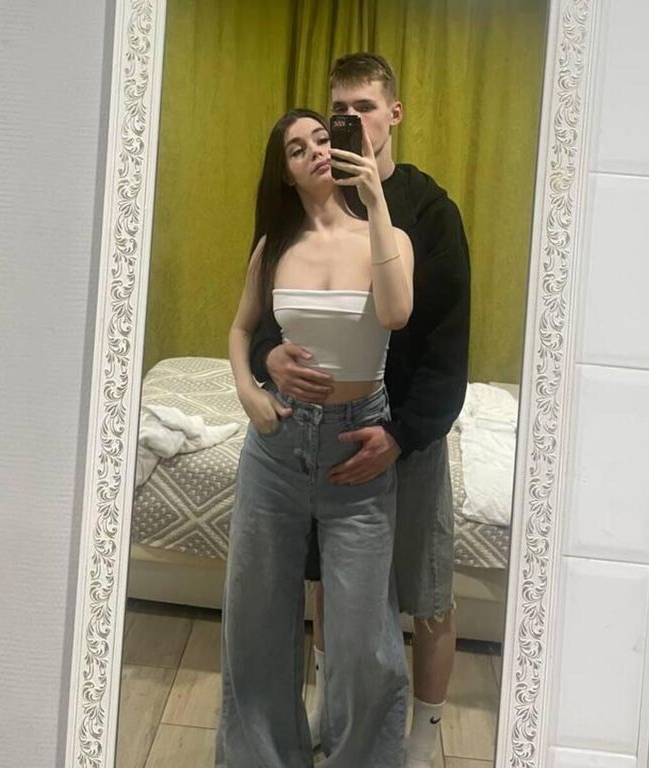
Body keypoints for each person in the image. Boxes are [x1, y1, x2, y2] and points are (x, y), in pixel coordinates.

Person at [249, 53, 471, 768]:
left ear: (393, 114)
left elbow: (444, 342)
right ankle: (332, 716)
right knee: (333, 590)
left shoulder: (429, 211)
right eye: (337, 110)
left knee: (425, 593)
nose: (349, 122)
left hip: (409, 435)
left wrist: (403, 434)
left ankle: (422, 742)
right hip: (326, 439)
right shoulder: (312, 201)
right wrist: (266, 359)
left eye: (363, 108)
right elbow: (270, 312)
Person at [217, 107, 414, 767]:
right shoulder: (274, 247)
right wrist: (249, 389)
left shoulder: (387, 237)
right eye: (298, 149)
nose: (316, 152)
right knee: (256, 625)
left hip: (356, 447)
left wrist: (376, 201)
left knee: (363, 641)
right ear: (287, 173)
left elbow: (396, 311)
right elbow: (241, 329)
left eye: (323, 139)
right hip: (276, 450)